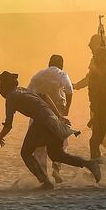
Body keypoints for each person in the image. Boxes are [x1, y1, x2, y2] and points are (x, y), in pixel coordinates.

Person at [0, 71, 101, 190]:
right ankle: (89, 164)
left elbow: (9, 125)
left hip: (42, 121)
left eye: (0, 87)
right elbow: (45, 97)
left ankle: (45, 181)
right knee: (56, 154)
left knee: (25, 153)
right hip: (52, 119)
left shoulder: (11, 96)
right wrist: (59, 116)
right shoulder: (23, 90)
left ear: (4, 87)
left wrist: (0, 135)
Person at [28, 55, 74, 183]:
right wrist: (68, 108)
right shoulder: (61, 74)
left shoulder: (38, 75)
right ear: (61, 64)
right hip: (56, 112)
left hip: (39, 112)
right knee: (61, 141)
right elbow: (69, 89)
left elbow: (29, 91)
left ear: (49, 63)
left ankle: (43, 175)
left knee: (39, 146)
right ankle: (56, 169)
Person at [74, 33, 106, 155]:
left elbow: (91, 81)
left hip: (103, 107)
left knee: (96, 139)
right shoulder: (99, 63)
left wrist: (76, 86)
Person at [85, 47, 106, 160]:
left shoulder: (94, 75)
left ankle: (96, 167)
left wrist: (94, 112)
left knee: (94, 143)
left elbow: (92, 96)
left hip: (101, 113)